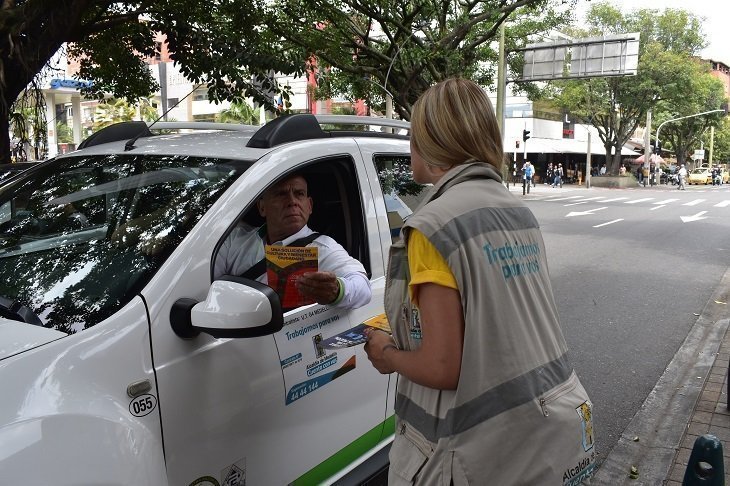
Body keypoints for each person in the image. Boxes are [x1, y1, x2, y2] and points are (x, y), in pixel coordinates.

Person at [363, 78, 595, 485]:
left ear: (433, 139)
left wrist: (386, 354)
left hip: (473, 455)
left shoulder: (432, 226)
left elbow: (442, 366)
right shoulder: (515, 210)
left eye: (415, 132)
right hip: (548, 434)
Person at [214, 174, 371, 310]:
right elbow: (202, 285)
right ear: (262, 207)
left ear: (309, 206)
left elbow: (363, 288)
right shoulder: (233, 239)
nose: (292, 201)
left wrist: (337, 290)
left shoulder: (323, 248)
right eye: (281, 194)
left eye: (299, 194)